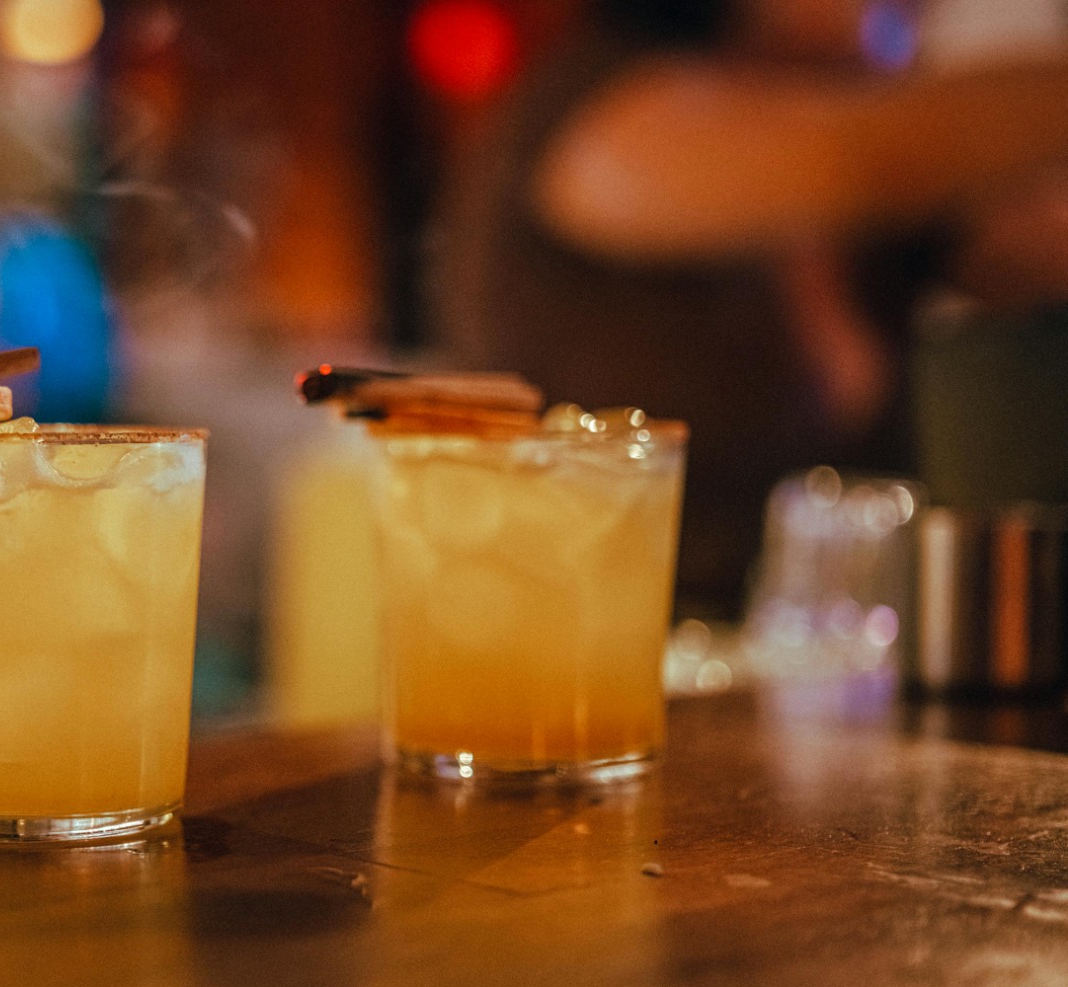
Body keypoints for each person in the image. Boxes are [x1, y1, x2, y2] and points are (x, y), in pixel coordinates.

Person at [435, 0, 1068, 617]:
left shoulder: (883, 208)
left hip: (836, 655)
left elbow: (1030, 253)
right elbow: (850, 156)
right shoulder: (594, 103)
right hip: (594, 637)